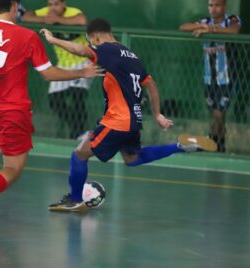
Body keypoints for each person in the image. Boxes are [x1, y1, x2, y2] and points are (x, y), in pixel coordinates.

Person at [0, 0, 101, 222]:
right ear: (14, 6)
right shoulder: (27, 36)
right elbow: (49, 74)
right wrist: (81, 72)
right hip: (13, 112)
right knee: (13, 168)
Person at [40, 18, 217, 212]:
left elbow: (81, 50)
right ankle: (180, 146)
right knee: (132, 159)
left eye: (91, 41)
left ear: (96, 36)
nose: (91, 46)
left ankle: (74, 200)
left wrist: (53, 40)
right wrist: (157, 114)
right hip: (134, 120)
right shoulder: (132, 56)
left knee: (80, 154)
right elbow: (151, 85)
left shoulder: (106, 49)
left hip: (117, 121)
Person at [22, 0, 91, 139]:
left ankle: (78, 132)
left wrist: (58, 20)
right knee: (54, 101)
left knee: (77, 96)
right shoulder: (47, 12)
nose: (53, 8)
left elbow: (82, 20)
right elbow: (26, 17)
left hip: (82, 62)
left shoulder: (72, 12)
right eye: (50, 4)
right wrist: (45, 20)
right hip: (62, 64)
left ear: (63, 3)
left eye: (56, 4)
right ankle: (78, 131)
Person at [179, 0, 241, 152]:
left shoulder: (231, 19)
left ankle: (211, 145)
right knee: (216, 114)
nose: (213, 9)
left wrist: (211, 30)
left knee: (218, 114)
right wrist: (202, 27)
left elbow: (234, 31)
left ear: (224, 6)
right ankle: (220, 146)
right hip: (208, 79)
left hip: (227, 78)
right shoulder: (204, 21)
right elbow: (184, 27)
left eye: (217, 5)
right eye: (211, 5)